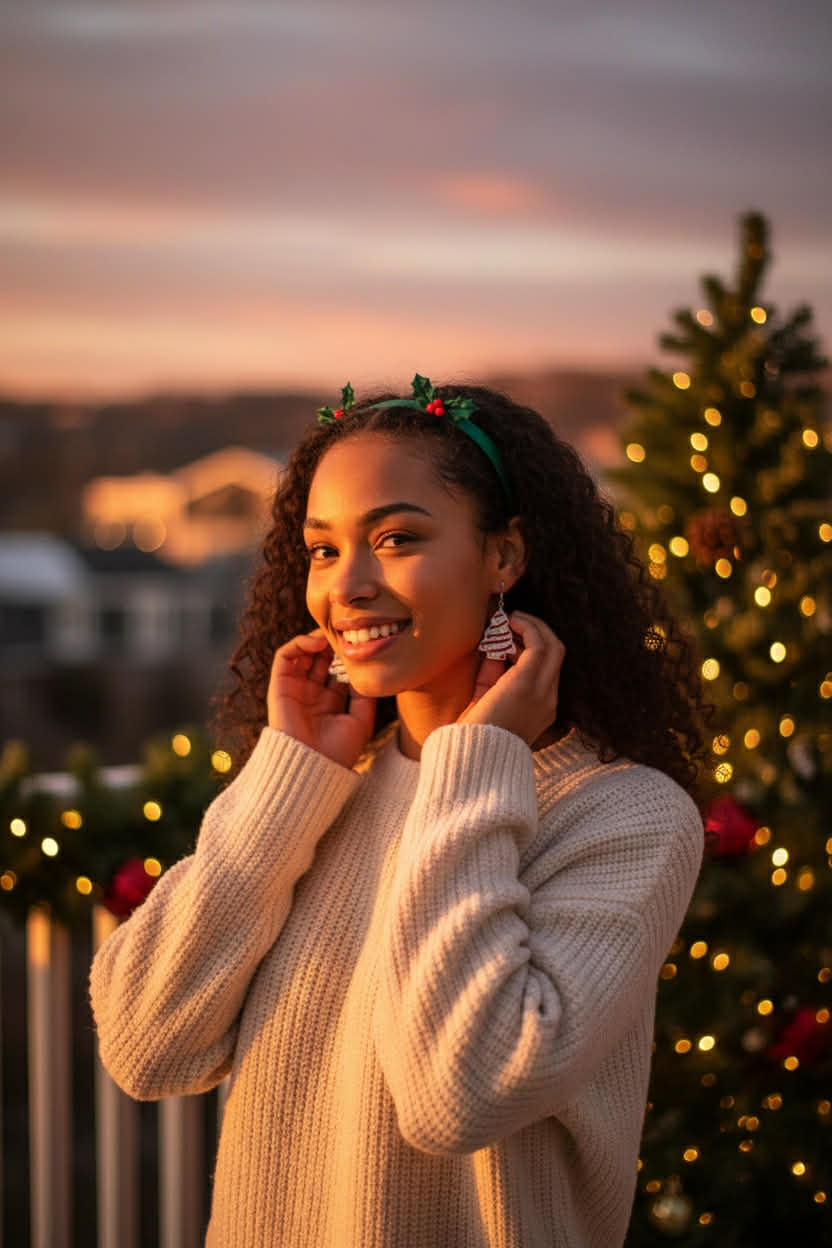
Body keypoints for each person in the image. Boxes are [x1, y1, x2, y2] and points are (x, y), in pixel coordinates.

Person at [90, 376, 707, 1248]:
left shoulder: (627, 817)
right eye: (324, 550)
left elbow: (462, 1091)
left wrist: (475, 764)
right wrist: (289, 778)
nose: (350, 587)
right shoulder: (318, 792)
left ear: (504, 558)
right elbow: (147, 1045)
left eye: (397, 538)